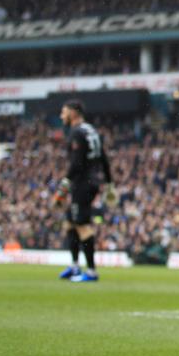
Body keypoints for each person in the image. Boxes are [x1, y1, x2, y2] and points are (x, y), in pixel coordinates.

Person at [53, 100, 117, 282]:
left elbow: (77, 163)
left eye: (63, 112)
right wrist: (110, 182)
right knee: (70, 223)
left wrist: (64, 185)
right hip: (91, 180)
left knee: (82, 226)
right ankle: (74, 266)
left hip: (82, 184)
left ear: (73, 113)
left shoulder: (77, 132)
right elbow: (103, 157)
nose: (61, 116)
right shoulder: (91, 131)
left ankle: (91, 271)